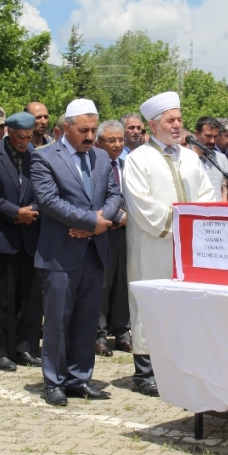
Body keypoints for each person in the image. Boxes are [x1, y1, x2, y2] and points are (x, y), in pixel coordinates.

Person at [124, 91, 215, 397]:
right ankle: (146, 371)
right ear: (153, 125)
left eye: (180, 119)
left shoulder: (191, 157)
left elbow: (207, 197)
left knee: (183, 304)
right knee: (150, 302)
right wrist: (182, 225)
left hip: (189, 247)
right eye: (170, 120)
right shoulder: (138, 160)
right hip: (153, 245)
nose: (178, 125)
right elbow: (142, 206)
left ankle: (182, 364)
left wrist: (197, 227)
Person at [32, 99, 120, 406]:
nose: (89, 136)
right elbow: (48, 200)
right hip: (60, 253)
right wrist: (90, 221)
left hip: (94, 251)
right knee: (58, 319)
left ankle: (79, 377)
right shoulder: (44, 158)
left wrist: (97, 224)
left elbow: (113, 194)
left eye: (94, 130)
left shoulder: (100, 157)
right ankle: (54, 381)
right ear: (65, 128)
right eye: (83, 130)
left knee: (86, 319)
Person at [0, 112, 43, 371]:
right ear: (8, 131)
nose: (25, 142)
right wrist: (14, 213)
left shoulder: (37, 155)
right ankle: (1, 351)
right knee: (1, 297)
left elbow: (46, 189)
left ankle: (25, 347)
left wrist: (33, 209)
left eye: (29, 137)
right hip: (2, 234)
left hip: (31, 234)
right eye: (20, 137)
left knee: (29, 297)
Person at [94, 120, 131, 356]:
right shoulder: (94, 165)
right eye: (111, 140)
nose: (117, 144)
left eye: (120, 140)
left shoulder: (128, 164)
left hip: (126, 233)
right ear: (99, 142)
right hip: (102, 231)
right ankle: (98, 335)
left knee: (122, 284)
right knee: (102, 285)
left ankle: (122, 333)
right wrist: (117, 216)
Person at [195, 116, 228, 201]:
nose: (212, 141)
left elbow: (226, 189)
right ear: (197, 134)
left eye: (215, 136)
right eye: (208, 136)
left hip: (217, 211)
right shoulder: (186, 157)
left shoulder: (221, 158)